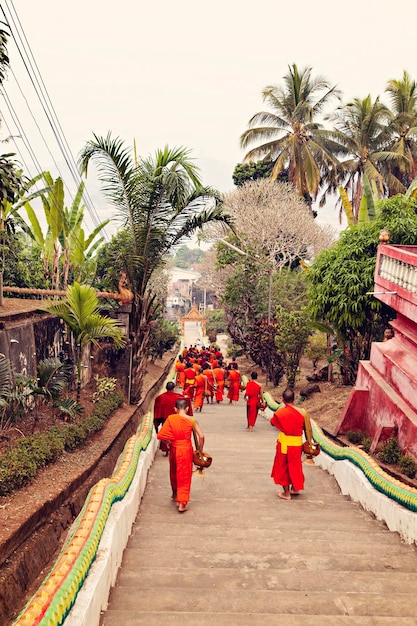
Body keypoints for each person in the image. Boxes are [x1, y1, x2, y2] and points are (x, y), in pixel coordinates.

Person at [157, 397, 204, 513]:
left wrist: (168, 443)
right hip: (186, 450)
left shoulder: (171, 418)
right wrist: (200, 451)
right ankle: (182, 503)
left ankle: (174, 493)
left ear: (175, 409)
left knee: (173, 471)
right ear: (187, 408)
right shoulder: (192, 420)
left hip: (174, 448)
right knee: (184, 475)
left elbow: (161, 435)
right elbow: (201, 436)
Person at [270, 388, 305, 500]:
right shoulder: (302, 412)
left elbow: (272, 423)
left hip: (285, 444)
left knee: (283, 467)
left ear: (282, 399)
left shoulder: (280, 413)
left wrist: (282, 407)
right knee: (296, 466)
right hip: (297, 445)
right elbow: (308, 429)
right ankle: (295, 488)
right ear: (294, 399)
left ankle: (286, 494)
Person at [153, 381, 193, 455]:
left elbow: (157, 410)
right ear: (174, 388)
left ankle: (166, 450)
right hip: (177, 419)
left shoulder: (160, 398)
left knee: (167, 433)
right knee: (176, 434)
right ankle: (176, 449)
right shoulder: (178, 397)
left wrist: (156, 423)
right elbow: (185, 402)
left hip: (165, 420)